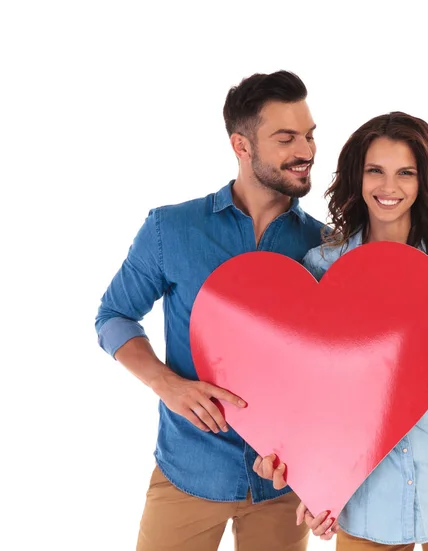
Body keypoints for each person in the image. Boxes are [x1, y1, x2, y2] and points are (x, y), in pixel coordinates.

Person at [95, 70, 324, 551]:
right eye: (286, 138)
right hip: (187, 471)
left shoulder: (324, 249)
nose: (304, 150)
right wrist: (167, 385)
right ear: (242, 147)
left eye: (308, 135)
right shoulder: (170, 229)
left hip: (284, 484)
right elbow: (114, 316)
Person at [254, 111, 428, 550]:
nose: (390, 188)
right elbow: (313, 399)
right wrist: (315, 484)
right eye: (376, 171)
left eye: (405, 173)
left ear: (423, 181)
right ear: (357, 177)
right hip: (366, 500)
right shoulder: (321, 269)